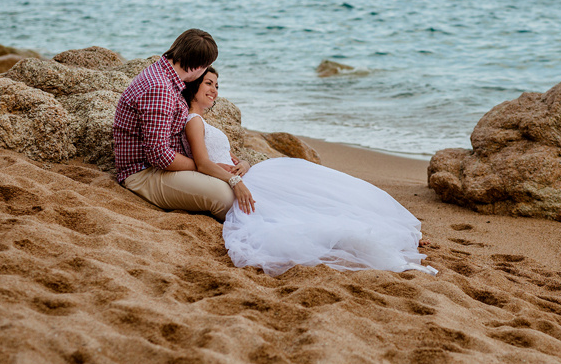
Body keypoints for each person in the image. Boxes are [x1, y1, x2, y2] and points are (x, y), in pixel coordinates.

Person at [182, 67, 437, 277]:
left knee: (320, 194)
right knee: (305, 212)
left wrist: (245, 165)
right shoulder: (193, 121)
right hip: (239, 182)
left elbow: (231, 158)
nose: (214, 90)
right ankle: (380, 241)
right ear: (194, 86)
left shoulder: (203, 122)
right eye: (208, 83)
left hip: (248, 174)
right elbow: (203, 164)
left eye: (217, 85)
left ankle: (394, 235)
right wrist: (236, 179)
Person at [113, 29, 235, 220]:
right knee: (226, 197)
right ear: (199, 66)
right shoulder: (160, 89)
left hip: (161, 166)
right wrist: (203, 166)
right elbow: (159, 155)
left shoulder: (166, 75)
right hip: (143, 173)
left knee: (230, 185)